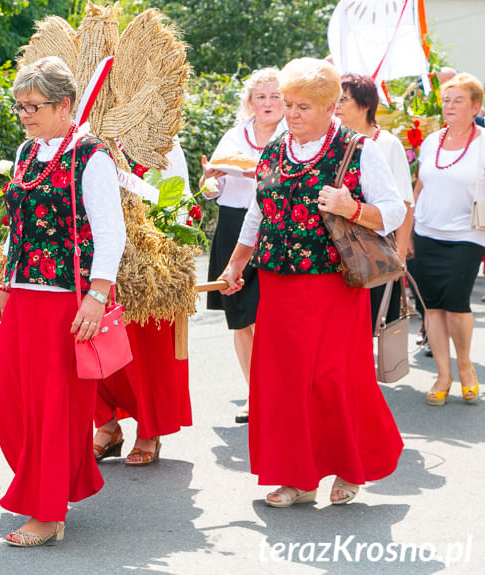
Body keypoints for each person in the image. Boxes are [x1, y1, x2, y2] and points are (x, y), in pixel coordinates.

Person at [219, 57, 406, 507]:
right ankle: (297, 479)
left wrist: (351, 207)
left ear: (329, 107)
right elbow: (257, 213)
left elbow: (395, 211)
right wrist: (236, 263)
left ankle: (349, 468)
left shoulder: (359, 150)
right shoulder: (275, 149)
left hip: (333, 288)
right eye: (288, 104)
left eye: (303, 106)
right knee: (284, 384)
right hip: (278, 285)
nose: (292, 114)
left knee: (333, 380)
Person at [0, 56, 126, 546]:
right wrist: (6, 280)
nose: (24, 114)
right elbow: (18, 225)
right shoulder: (28, 151)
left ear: (64, 105)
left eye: (33, 106)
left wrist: (96, 295)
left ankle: (47, 512)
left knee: (53, 408)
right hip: (24, 295)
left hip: (67, 300)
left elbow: (112, 232)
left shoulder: (92, 156)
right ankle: (48, 482)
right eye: (19, 106)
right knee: (4, 396)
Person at [92, 141, 193, 466]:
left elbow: (177, 201)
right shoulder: (84, 130)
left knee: (144, 352)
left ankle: (149, 432)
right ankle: (107, 426)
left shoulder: (161, 137)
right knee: (90, 346)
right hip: (93, 252)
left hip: (143, 260)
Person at [200, 67, 287, 424]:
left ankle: (277, 391)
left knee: (268, 317)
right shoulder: (234, 136)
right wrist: (209, 180)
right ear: (249, 102)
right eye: (261, 97)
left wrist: (261, 174)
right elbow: (210, 190)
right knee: (240, 320)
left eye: (274, 97)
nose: (267, 104)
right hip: (232, 225)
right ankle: (255, 394)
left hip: (275, 228)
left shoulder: (291, 137)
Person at [411, 72, 485, 406]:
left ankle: (466, 365)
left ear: (475, 107)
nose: (450, 106)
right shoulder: (431, 141)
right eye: (447, 100)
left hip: (466, 236)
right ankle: (443, 374)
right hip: (426, 232)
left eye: (458, 100)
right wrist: (408, 229)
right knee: (432, 307)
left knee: (455, 305)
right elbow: (420, 185)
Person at [335, 73, 415, 329]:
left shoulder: (388, 144)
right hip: (338, 249)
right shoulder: (333, 141)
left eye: (343, 99)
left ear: (365, 104)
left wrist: (399, 257)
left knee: (369, 325)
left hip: (374, 252)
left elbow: (403, 204)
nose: (336, 105)